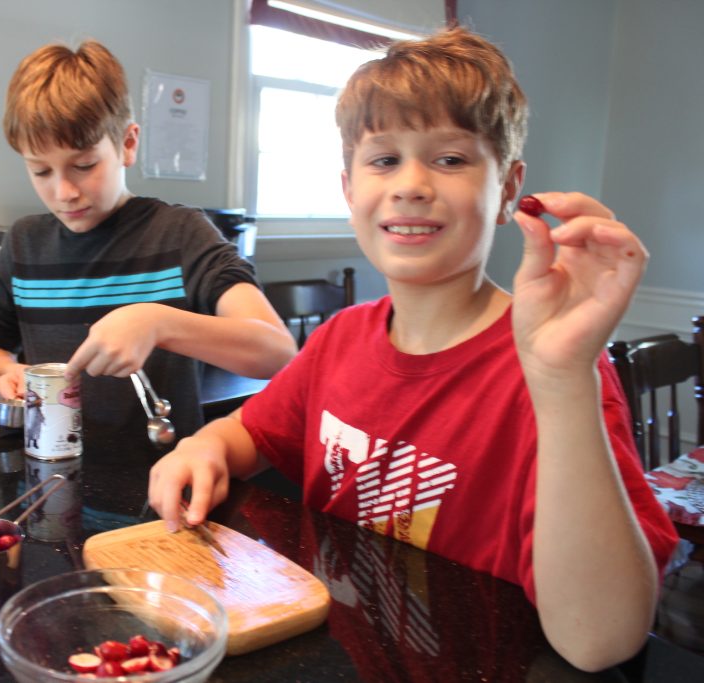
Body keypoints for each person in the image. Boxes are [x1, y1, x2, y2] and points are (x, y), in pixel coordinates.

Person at [147, 27, 678, 672]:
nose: (412, 184)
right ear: (349, 189)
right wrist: (205, 445)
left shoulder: (556, 371)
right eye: (384, 159)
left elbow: (600, 641)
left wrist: (562, 379)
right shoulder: (341, 337)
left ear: (509, 189)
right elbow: (250, 432)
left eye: (451, 159)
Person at [0, 40, 296, 441]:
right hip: (52, 478)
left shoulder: (180, 234)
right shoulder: (24, 243)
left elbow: (277, 352)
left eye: (84, 165)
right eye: (40, 171)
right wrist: (11, 372)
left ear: (127, 143)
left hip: (162, 482)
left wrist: (158, 323)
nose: (64, 192)